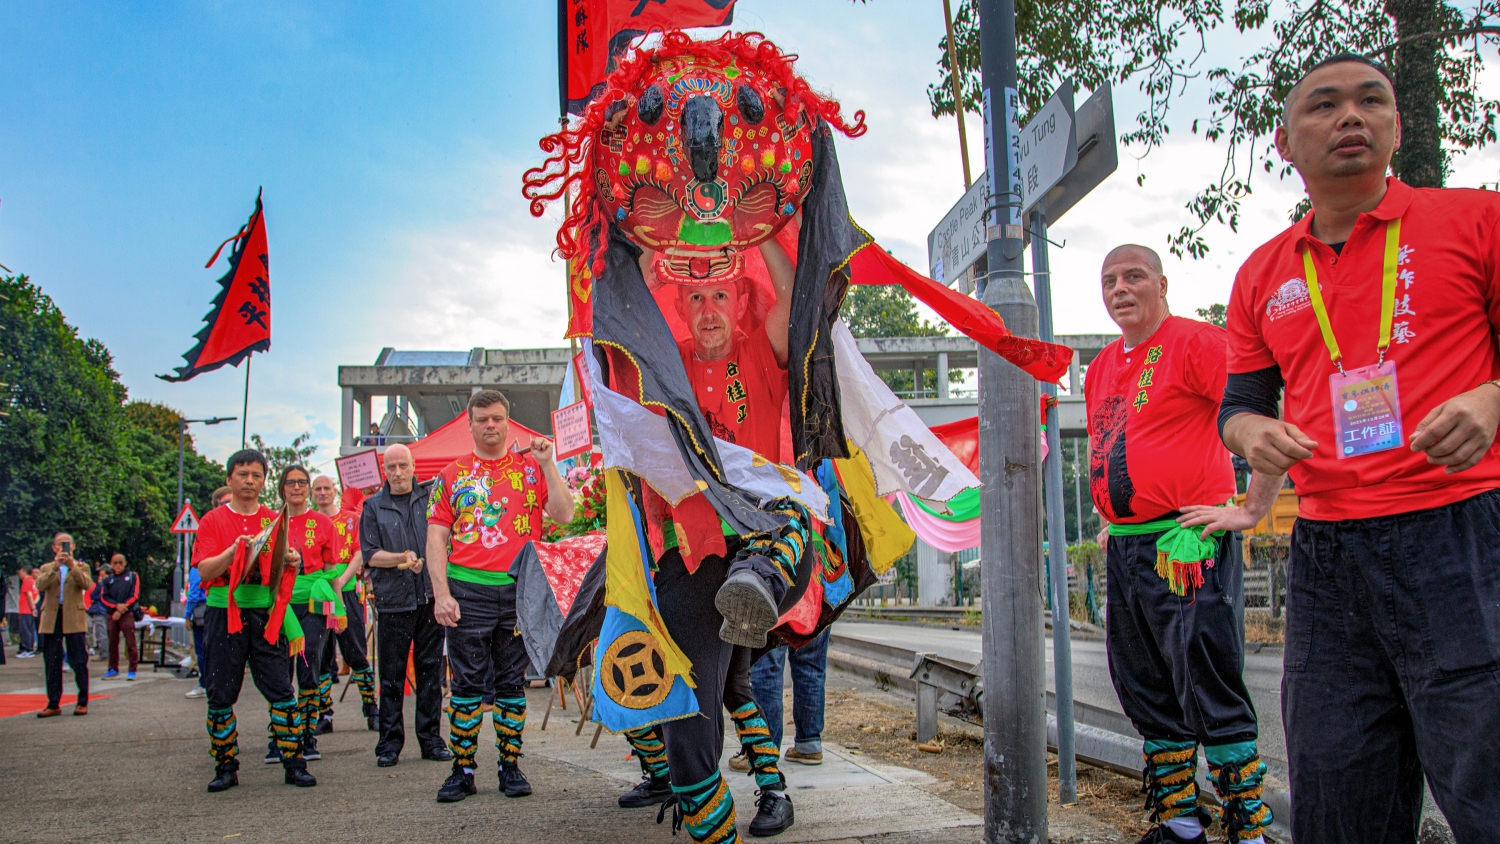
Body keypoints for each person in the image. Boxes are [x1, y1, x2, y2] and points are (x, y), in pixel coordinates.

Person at [1220, 54, 1500, 844]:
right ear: (1284, 141)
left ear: (1396, 125)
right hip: (1328, 554)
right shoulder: (1261, 274)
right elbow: (1241, 404)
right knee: (1337, 790)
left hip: (1464, 534)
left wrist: (1492, 397)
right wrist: (1253, 434)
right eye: (1324, 105)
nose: (1351, 116)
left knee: (1486, 784)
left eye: (1370, 100)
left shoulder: (1477, 220)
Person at [1085, 244, 1279, 844]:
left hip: (1187, 540)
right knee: (1145, 683)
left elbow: (1263, 411)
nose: (1120, 288)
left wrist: (1253, 507)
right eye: (1109, 279)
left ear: (1162, 283)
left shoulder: (1197, 342)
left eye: (1134, 276)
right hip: (1126, 548)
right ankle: (1180, 825)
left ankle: (1247, 830)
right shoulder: (1099, 367)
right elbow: (1118, 447)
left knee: (1206, 678)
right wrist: (1112, 515)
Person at [632, 239, 802, 842]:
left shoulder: (760, 352)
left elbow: (792, 298)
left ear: (739, 303)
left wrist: (767, 233)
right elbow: (622, 352)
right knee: (700, 696)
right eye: (695, 298)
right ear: (683, 307)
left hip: (760, 537)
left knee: (722, 683)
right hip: (691, 548)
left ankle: (752, 793)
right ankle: (723, 817)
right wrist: (636, 271)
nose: (707, 310)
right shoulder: (667, 365)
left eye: (720, 295)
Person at [427, 390, 574, 802]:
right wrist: (441, 594)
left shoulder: (531, 469)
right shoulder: (451, 475)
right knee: (466, 685)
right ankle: (463, 770)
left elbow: (565, 514)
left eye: (496, 419)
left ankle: (510, 765)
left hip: (518, 591)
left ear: (508, 422)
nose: (490, 426)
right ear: (470, 425)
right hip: (466, 592)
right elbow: (436, 538)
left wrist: (549, 464)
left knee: (512, 683)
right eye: (482, 420)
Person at [194, 449, 314, 792]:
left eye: (257, 475)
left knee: (281, 688)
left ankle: (294, 762)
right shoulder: (212, 520)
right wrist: (233, 552)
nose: (250, 481)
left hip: (265, 614)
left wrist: (292, 559)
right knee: (220, 693)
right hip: (224, 613)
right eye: (243, 474)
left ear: (264, 480)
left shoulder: (274, 519)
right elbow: (204, 570)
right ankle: (225, 766)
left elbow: (282, 564)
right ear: (229, 478)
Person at [622, 645, 793, 836]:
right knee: (624, 682)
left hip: (729, 618)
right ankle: (661, 777)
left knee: (734, 687)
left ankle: (774, 788)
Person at [361, 443, 451, 767]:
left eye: (403, 466)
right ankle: (389, 743)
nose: (398, 473)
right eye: (391, 468)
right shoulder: (373, 506)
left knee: (431, 672)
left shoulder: (431, 498)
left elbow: (445, 538)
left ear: (414, 465)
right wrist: (400, 558)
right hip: (393, 602)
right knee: (391, 677)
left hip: (429, 597)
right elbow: (370, 554)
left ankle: (431, 740)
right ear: (384, 471)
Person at [275, 465, 340, 763]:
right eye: (291, 482)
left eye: (303, 482)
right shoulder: (272, 523)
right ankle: (280, 733)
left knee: (310, 660)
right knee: (280, 668)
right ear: (282, 487)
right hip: (279, 602)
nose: (297, 488)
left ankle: (307, 732)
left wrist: (338, 607)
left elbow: (332, 570)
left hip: (317, 598)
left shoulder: (323, 523)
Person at [313, 474, 378, 731]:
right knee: (320, 654)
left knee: (355, 651)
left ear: (334, 491)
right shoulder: (311, 522)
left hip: (348, 592)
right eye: (317, 489)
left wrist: (340, 580)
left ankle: (370, 706)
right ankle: (323, 713)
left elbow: (360, 553)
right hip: (318, 596)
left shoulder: (352, 520)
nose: (322, 492)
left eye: (326, 488)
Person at [748, 627, 831, 767]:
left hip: (777, 606)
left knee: (767, 661)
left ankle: (764, 748)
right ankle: (809, 745)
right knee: (810, 662)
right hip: (819, 604)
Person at [33, 534, 94, 717]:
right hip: (52, 616)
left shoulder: (82, 567)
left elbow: (87, 584)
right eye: (60, 545)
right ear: (54, 548)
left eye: (66, 545)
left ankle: (82, 701)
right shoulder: (47, 567)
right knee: (52, 660)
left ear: (73, 547)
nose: (63, 548)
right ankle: (53, 703)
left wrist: (71, 567)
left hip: (73, 615)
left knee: (78, 660)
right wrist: (56, 567)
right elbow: (40, 585)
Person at [186, 486, 233, 700]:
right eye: (225, 504)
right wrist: (188, 612)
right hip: (213, 606)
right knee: (209, 652)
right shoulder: (209, 528)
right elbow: (198, 578)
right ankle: (207, 684)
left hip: (244, 605)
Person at [99, 553, 141, 680]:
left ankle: (132, 669)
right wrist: (116, 606)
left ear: (125, 563)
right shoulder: (108, 580)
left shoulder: (132, 576)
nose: (118, 566)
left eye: (120, 563)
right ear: (111, 564)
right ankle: (113, 669)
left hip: (127, 613)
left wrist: (122, 608)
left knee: (130, 642)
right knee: (112, 642)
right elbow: (104, 597)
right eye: (115, 563)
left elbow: (135, 595)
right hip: (112, 614)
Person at [86, 566, 108, 656]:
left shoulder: (103, 583)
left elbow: (93, 594)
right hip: (109, 610)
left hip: (100, 609)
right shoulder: (114, 581)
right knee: (108, 632)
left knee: (101, 633)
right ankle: (107, 652)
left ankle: (103, 654)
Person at [16, 566, 38, 658]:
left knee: (25, 630)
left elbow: (29, 595)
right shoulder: (33, 581)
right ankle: (29, 648)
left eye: (20, 572)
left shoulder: (27, 581)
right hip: (29, 610)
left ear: (24, 572)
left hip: (25, 610)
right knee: (29, 630)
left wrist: (32, 608)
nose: (19, 574)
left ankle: (27, 649)